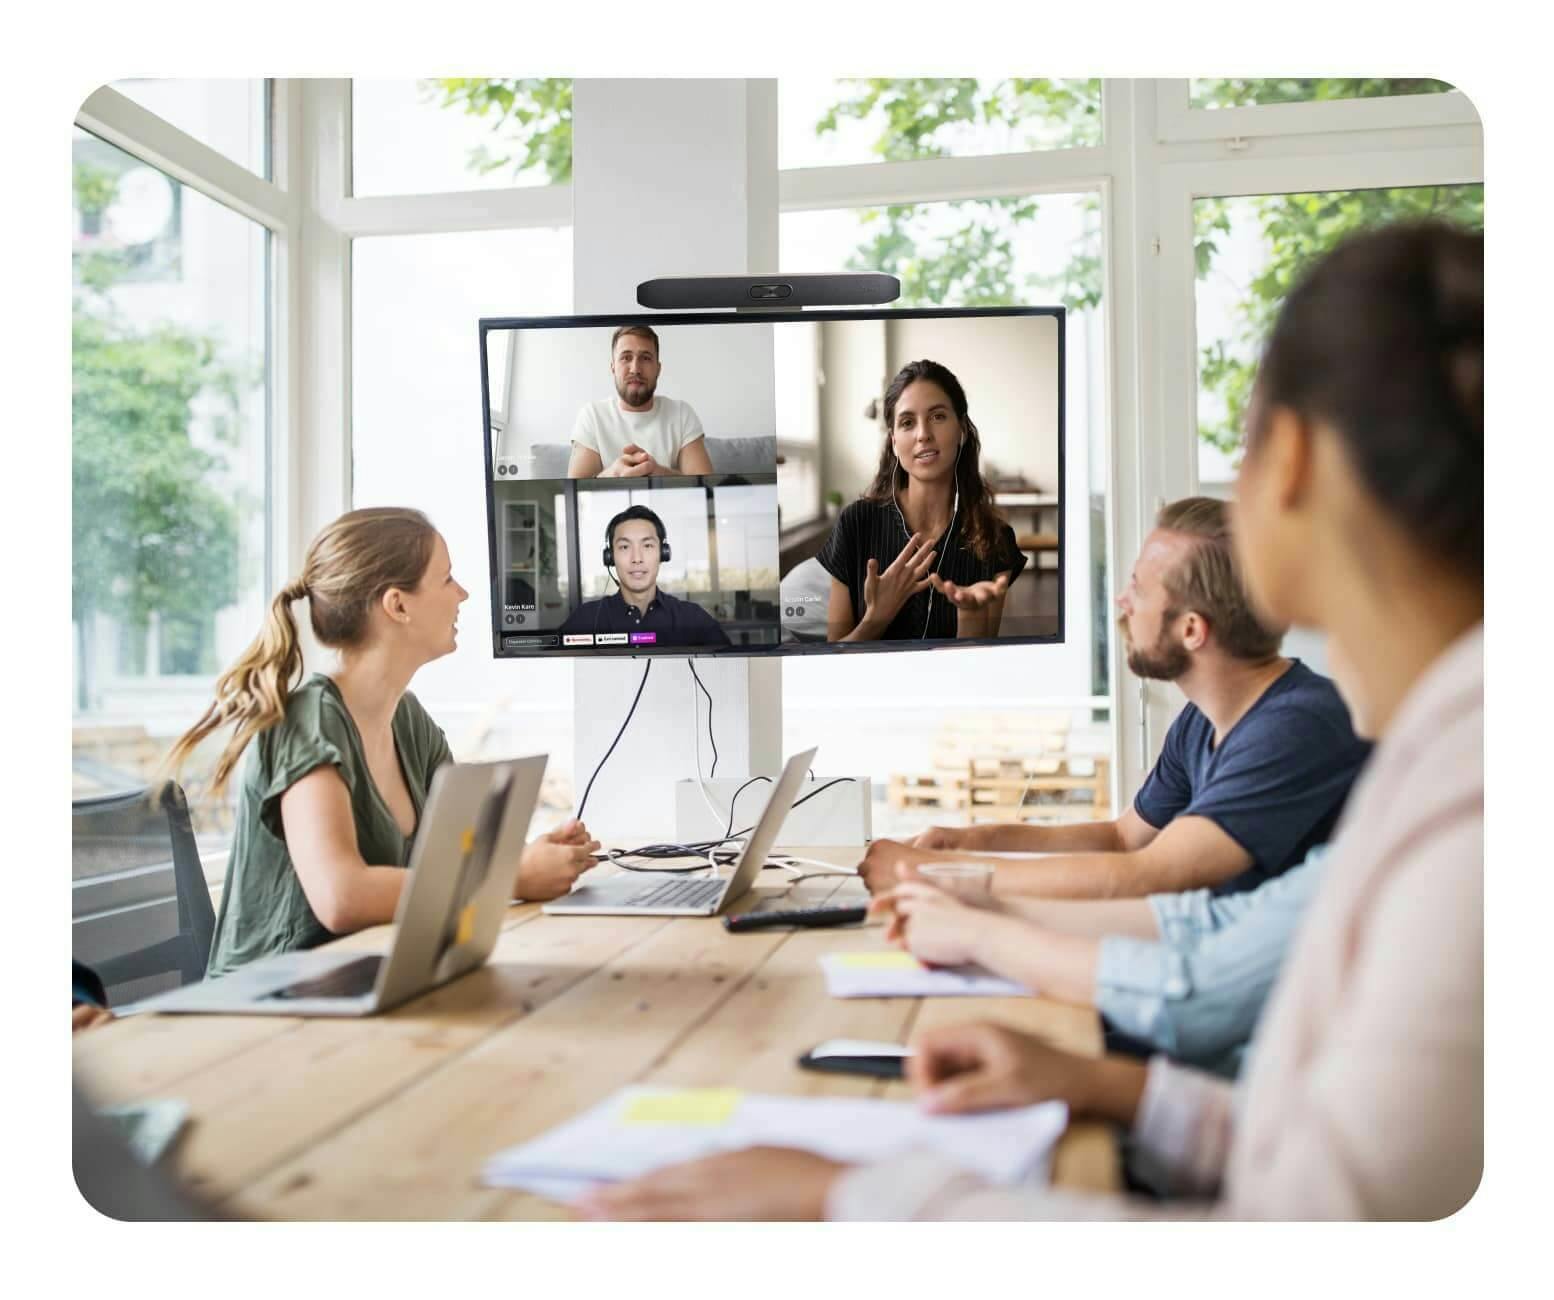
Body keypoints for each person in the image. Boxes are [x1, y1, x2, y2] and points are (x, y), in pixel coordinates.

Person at [578, 219, 1483, 1222]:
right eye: (901, 419)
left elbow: (1297, 1220)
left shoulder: (1461, 804)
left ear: (1297, 462)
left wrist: (857, 1199)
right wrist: (1090, 1068)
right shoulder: (1427, 749)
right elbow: (1293, 1136)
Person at [161, 508, 600, 980]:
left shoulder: (410, 723)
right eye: (447, 578)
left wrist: (529, 857)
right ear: (398, 605)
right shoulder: (309, 720)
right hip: (267, 1003)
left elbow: (454, 865)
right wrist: (512, 876)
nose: (464, 594)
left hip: (361, 980)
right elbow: (341, 896)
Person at [858, 495, 1371, 900]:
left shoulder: (1295, 727)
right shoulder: (1203, 721)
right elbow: (1122, 838)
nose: (1123, 602)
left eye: (1138, 588)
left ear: (1192, 629)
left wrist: (942, 874)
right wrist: (965, 841)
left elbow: (1151, 874)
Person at [819, 359, 1027, 642]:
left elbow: (978, 673)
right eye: (907, 423)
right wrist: (876, 617)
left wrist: (970, 618)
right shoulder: (856, 523)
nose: (923, 435)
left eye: (938, 416)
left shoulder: (996, 538)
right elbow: (832, 667)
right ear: (893, 441)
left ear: (962, 430)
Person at [558, 505, 730, 648]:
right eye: (625, 547)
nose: (637, 558)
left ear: (663, 554)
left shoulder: (692, 619)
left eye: (647, 546)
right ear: (610, 557)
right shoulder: (585, 619)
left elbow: (728, 665)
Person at [567, 325, 716, 480]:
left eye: (645, 358)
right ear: (613, 367)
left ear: (658, 369)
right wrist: (613, 474)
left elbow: (705, 486)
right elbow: (576, 491)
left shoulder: (681, 413)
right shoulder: (592, 415)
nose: (635, 369)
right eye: (626, 357)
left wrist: (659, 473)